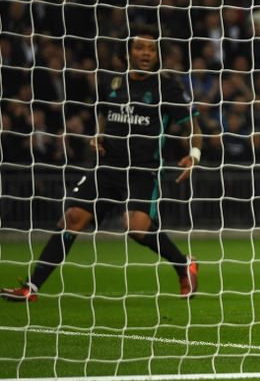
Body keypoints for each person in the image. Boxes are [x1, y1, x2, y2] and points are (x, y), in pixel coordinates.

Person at [2, 32, 202, 302]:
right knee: (72, 218)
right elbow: (103, 113)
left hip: (142, 169)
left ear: (157, 56)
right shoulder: (112, 82)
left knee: (136, 226)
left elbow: (193, 126)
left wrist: (194, 153)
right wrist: (99, 133)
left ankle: (183, 265)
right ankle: (31, 288)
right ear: (128, 52)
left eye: (151, 50)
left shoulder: (167, 87)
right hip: (107, 166)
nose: (145, 54)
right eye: (140, 48)